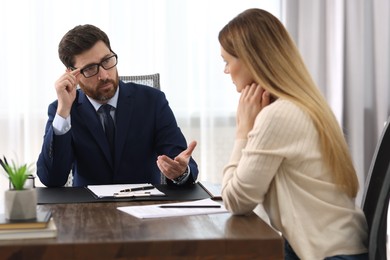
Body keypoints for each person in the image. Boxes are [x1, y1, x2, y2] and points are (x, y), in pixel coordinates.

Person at [219, 9, 368, 260]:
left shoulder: (278, 115)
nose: (225, 71)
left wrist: (243, 130)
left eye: (227, 61)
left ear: (250, 60)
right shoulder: (305, 104)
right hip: (339, 249)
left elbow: (236, 200)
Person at [37, 24, 198, 187]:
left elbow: (179, 160)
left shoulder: (152, 101)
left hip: (144, 206)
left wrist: (181, 173)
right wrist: (63, 112)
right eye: (90, 68)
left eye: (107, 60)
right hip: (88, 208)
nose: (104, 75)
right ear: (71, 74)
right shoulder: (64, 110)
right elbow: (52, 179)